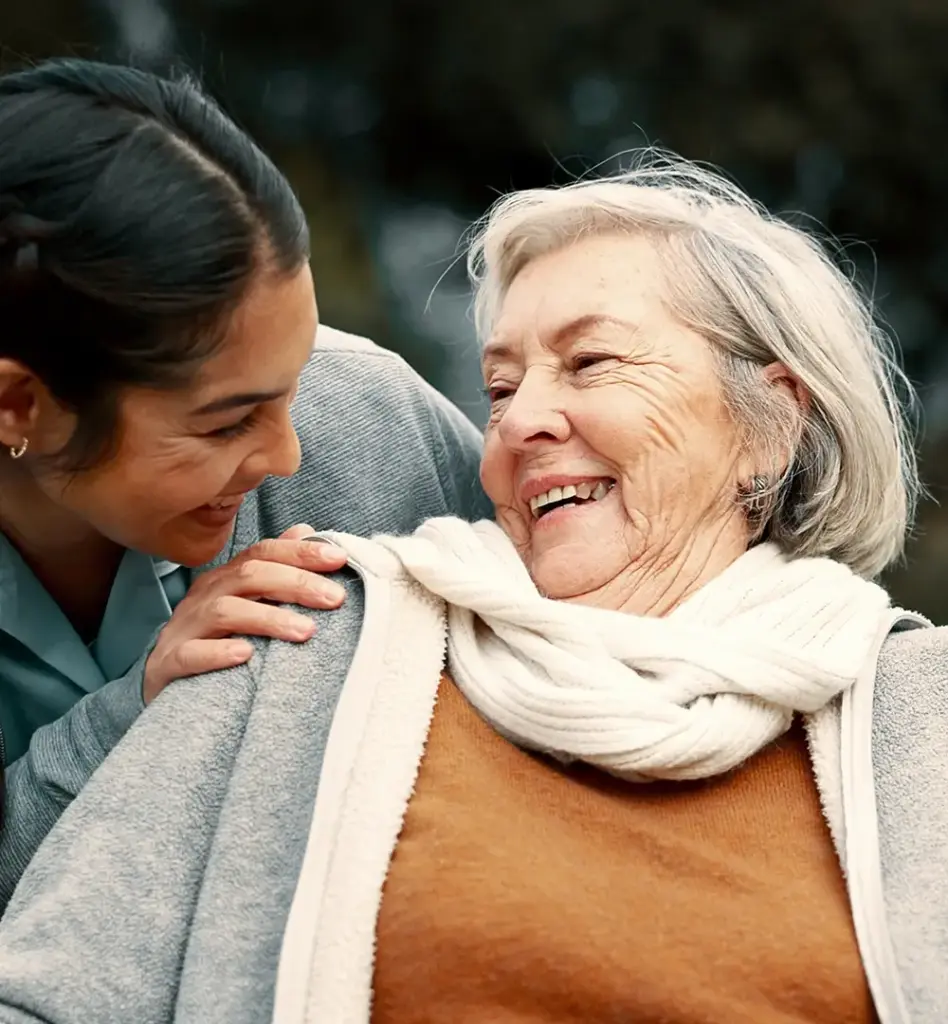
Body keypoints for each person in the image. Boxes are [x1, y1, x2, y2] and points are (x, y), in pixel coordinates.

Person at [0, 152, 945, 1024]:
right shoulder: (310, 628)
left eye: (592, 362)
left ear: (772, 425)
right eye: (496, 389)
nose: (523, 419)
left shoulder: (917, 707)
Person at [0, 58, 490, 907]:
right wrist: (139, 714)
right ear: (17, 403)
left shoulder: (370, 421)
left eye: (297, 378)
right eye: (227, 422)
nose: (290, 456)